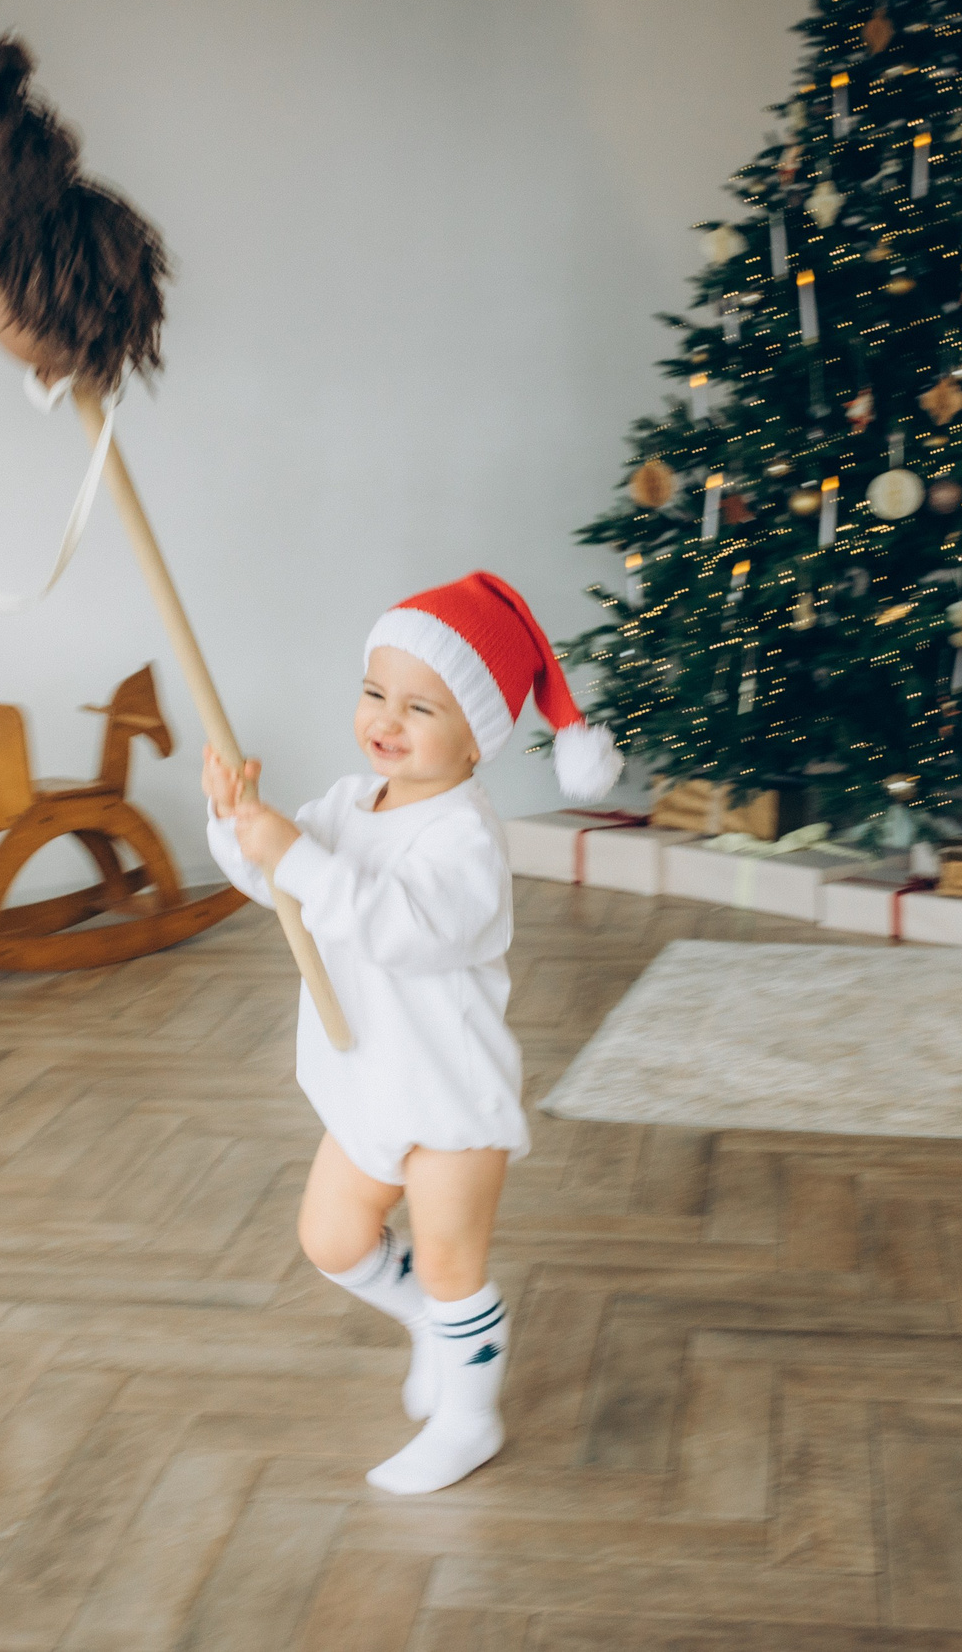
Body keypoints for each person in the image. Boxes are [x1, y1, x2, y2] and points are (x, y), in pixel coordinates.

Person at [201, 571, 621, 1495]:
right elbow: (277, 887)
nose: (387, 718)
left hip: (446, 1087)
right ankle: (432, 1324)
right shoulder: (350, 801)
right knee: (333, 1240)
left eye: (421, 706)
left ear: (478, 736)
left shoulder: (465, 836)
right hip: (365, 1076)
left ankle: (470, 1418)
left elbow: (404, 927)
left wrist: (294, 854)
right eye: (374, 692)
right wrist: (240, 825)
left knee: (447, 1260)